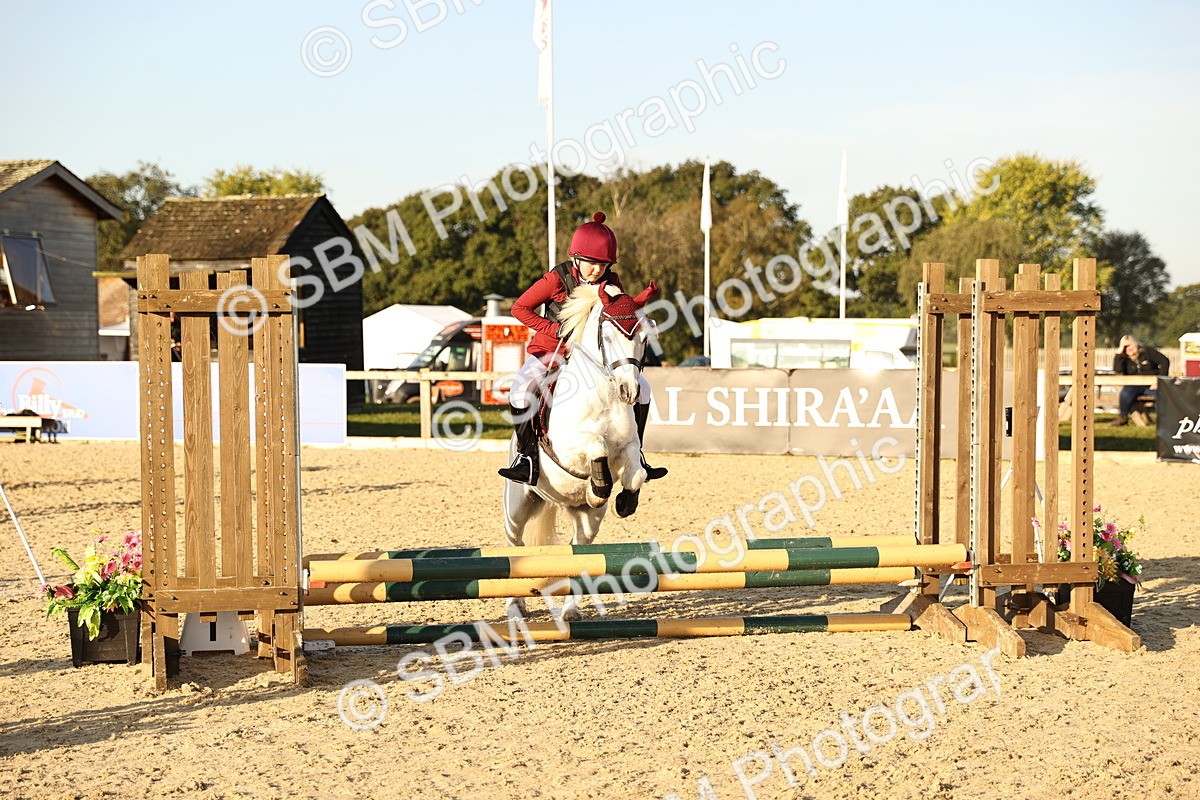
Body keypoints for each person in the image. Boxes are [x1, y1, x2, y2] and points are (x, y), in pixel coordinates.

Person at [498, 211, 667, 485]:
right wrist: (554, 330)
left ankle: (639, 454)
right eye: (591, 263)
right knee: (521, 389)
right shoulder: (557, 278)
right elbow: (520, 308)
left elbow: (619, 314)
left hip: (593, 357)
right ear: (576, 257)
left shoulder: (612, 282)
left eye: (603, 264)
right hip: (552, 350)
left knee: (644, 389)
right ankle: (526, 457)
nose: (597, 270)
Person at [1111, 334, 1169, 426]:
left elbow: (1164, 361)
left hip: (1151, 386)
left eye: (1129, 345)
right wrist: (1119, 352)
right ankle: (1123, 417)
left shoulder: (1147, 351)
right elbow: (1118, 370)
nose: (1128, 348)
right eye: (1125, 347)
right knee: (1125, 393)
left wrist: (1159, 381)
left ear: (1135, 344)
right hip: (1133, 386)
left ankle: (1164, 421)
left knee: (1162, 395)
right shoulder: (1123, 358)